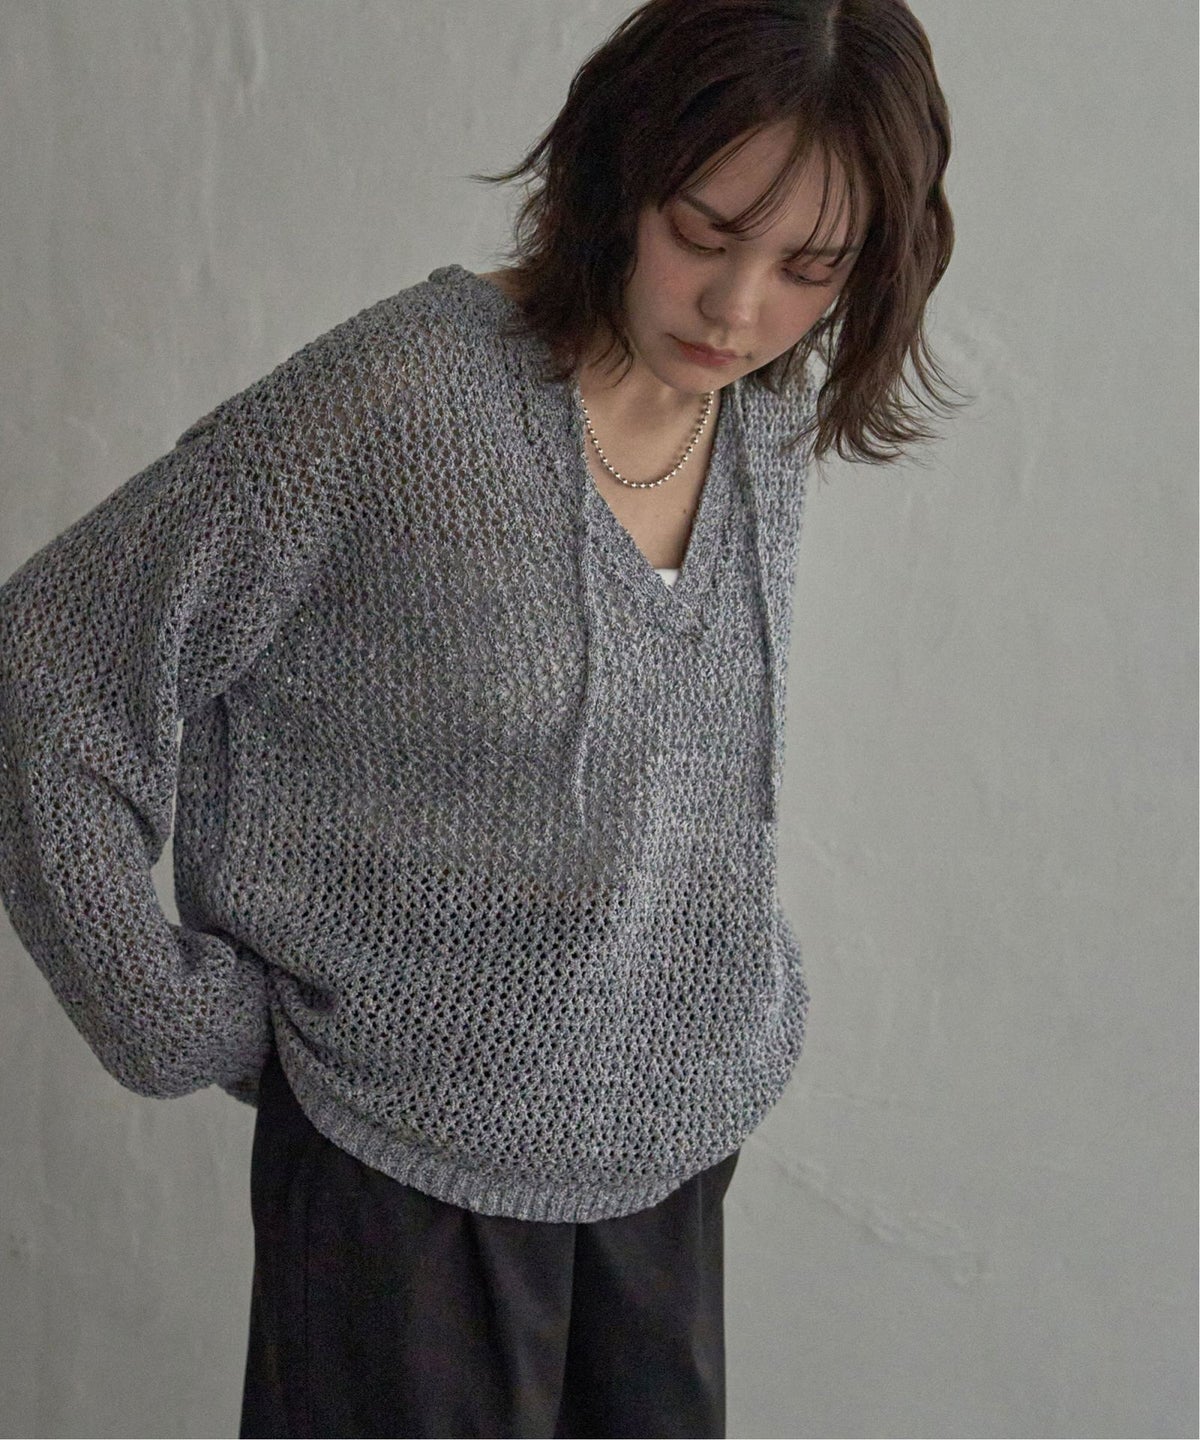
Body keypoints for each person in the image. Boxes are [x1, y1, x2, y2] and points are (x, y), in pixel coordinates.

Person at [0, 1, 965, 1435]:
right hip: (402, 1180)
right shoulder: (394, 403)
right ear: (615, 176)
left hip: (668, 1154)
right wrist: (161, 1012)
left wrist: (730, 992)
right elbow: (45, 666)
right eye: (703, 233)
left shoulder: (759, 413)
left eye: (808, 270)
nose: (738, 308)